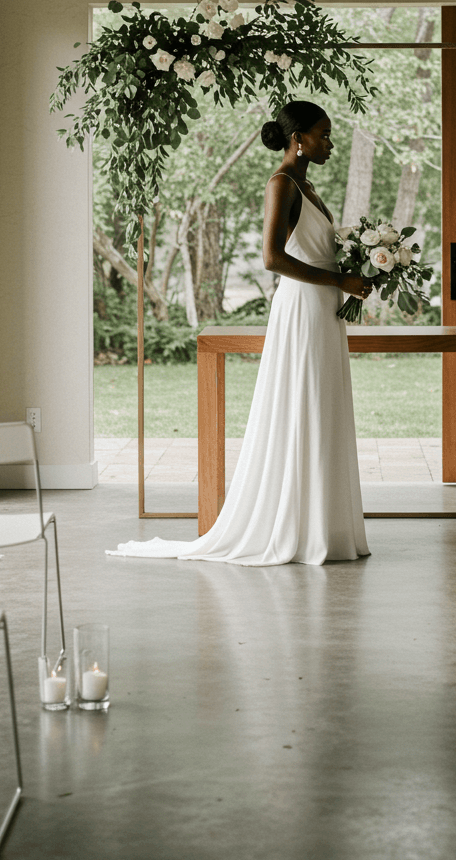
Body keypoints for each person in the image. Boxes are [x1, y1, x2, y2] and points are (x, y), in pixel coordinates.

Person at [108, 100, 373, 566]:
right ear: (299, 139)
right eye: (324, 134)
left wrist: (356, 269)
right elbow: (273, 259)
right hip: (303, 308)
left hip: (324, 310)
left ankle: (323, 526)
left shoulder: (306, 185)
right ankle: (295, 527)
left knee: (322, 404)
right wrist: (338, 280)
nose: (330, 142)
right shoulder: (281, 183)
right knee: (302, 402)